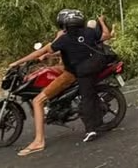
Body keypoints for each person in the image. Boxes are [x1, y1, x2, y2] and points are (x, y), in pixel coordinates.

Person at [9, 9, 112, 156]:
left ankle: (39, 141)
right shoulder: (87, 32)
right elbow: (103, 36)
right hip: (76, 67)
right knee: (47, 72)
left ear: (65, 25)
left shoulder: (63, 37)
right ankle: (57, 104)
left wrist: (17, 62)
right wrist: (101, 21)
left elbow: (42, 51)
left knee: (37, 101)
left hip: (72, 72)